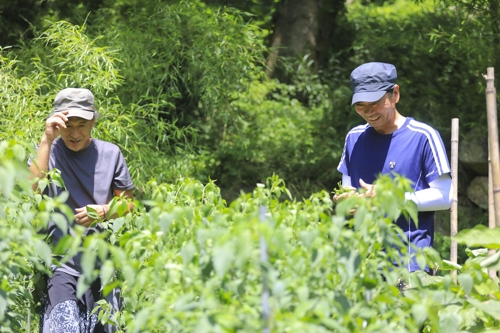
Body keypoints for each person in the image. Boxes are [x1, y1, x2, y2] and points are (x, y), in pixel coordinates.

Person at [29, 88, 134, 332]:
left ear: (93, 121)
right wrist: (46, 139)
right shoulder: (47, 152)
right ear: (57, 123)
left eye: (82, 124)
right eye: (68, 125)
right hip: (60, 266)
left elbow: (128, 204)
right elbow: (31, 192)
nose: (75, 133)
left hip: (102, 265)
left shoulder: (111, 154)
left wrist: (105, 211)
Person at [334, 62, 453, 272]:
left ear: (395, 94)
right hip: (362, 262)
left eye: (375, 103)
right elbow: (348, 190)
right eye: (360, 105)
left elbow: (445, 197)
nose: (368, 111)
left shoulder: (422, 136)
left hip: (410, 263)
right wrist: (347, 200)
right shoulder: (354, 138)